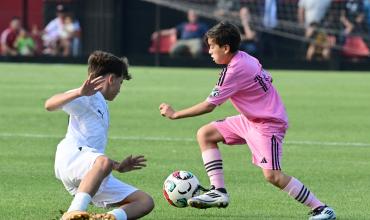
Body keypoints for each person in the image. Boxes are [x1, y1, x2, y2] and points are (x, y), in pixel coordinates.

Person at [159, 21, 336, 220]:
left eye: (212, 46)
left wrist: (175, 114)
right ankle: (218, 191)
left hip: (268, 124)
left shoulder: (233, 71)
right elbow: (268, 79)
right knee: (205, 134)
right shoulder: (245, 58)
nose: (209, 51)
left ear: (225, 48)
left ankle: (322, 209)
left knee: (273, 176)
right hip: (250, 120)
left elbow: (209, 105)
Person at [45, 51, 154, 220]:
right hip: (71, 158)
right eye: (120, 82)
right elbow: (49, 104)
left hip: (90, 171)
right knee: (104, 161)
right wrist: (79, 93)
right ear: (111, 79)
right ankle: (72, 213)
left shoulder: (101, 102)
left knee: (144, 201)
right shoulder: (88, 95)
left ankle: (106, 218)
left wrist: (117, 167)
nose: (119, 89)